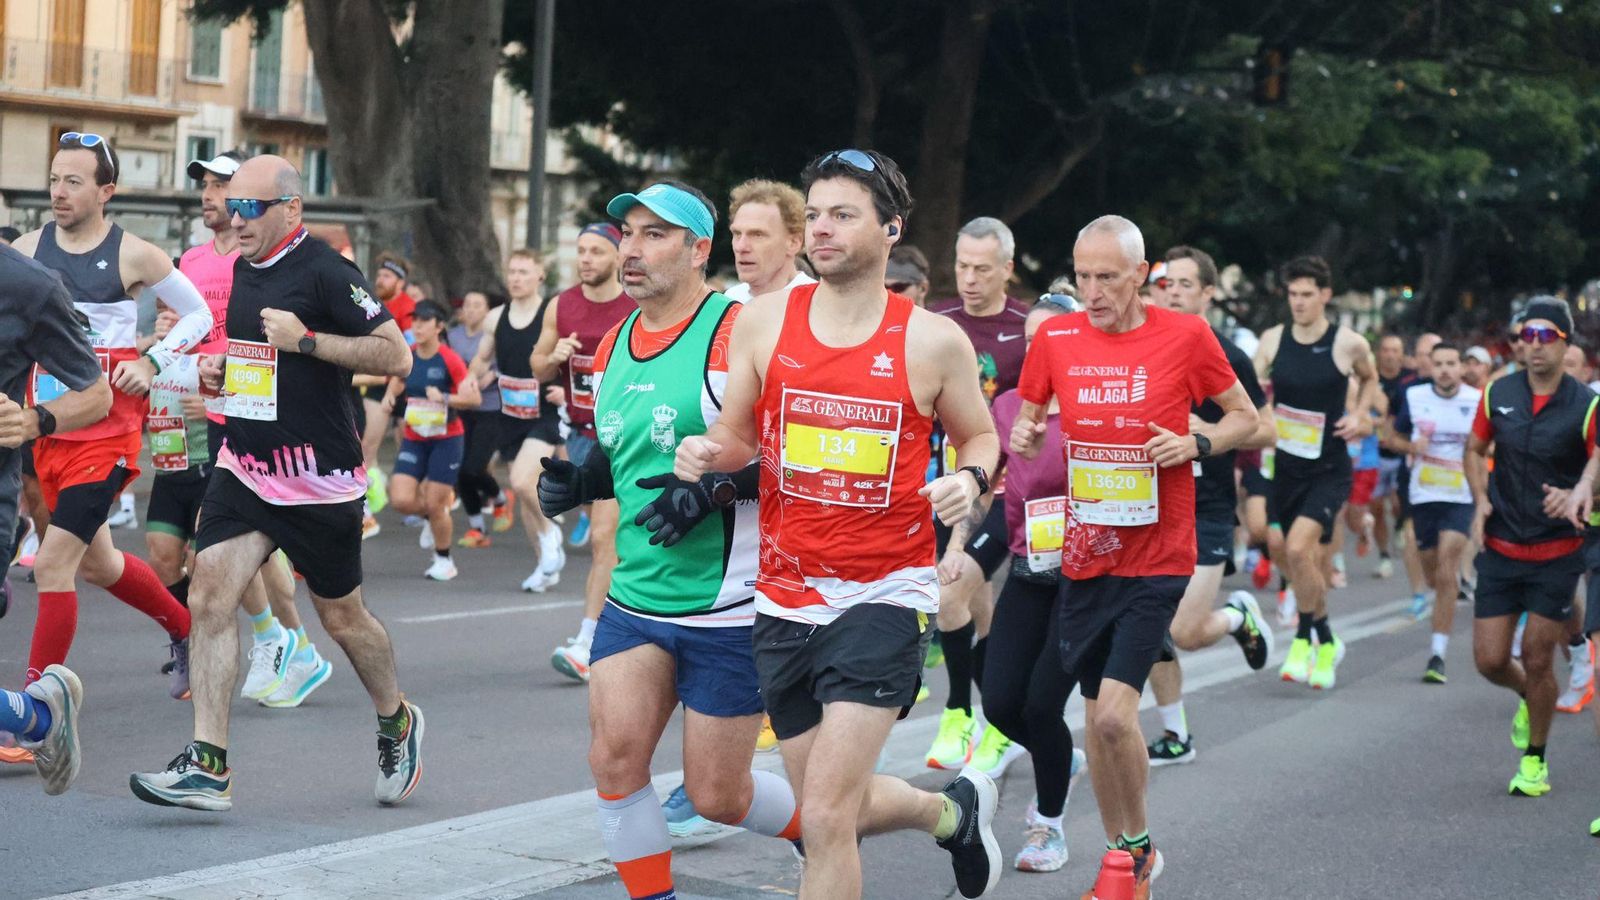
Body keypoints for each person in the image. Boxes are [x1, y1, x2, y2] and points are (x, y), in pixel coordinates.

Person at [677, 149, 1004, 899]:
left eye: (842, 215)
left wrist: (967, 477)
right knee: (836, 812)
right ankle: (950, 812)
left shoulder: (931, 340)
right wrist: (706, 452)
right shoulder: (761, 323)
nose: (821, 229)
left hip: (885, 595)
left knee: (822, 816)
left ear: (890, 229)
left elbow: (980, 437)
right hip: (783, 598)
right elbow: (740, 438)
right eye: (815, 214)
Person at [532, 180, 814, 900]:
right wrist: (582, 480)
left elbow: (802, 456)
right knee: (615, 764)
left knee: (719, 794)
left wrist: (718, 490)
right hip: (635, 597)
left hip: (731, 606)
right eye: (626, 232)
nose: (631, 249)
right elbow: (623, 451)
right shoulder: (616, 340)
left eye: (655, 235)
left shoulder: (739, 331)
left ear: (697, 251)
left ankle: (825, 828)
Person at [129, 156, 421, 811]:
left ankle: (396, 718)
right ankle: (208, 764)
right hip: (247, 465)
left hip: (319, 481)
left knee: (343, 619)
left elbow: (394, 353)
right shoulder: (241, 270)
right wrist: (224, 378)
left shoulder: (326, 271)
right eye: (235, 208)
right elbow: (259, 366)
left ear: (291, 209)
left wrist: (308, 340)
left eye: (253, 208)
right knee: (209, 592)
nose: (239, 219)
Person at [1009, 216, 1256, 897]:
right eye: (1082, 276)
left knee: (1116, 715)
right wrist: (1028, 437)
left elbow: (1248, 419)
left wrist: (1197, 443)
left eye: (1107, 277)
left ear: (1141, 275)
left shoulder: (1186, 335)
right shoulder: (1056, 337)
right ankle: (1127, 853)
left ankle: (1136, 852)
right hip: (1087, 555)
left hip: (1159, 555)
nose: (1091, 291)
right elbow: (1031, 419)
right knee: (1097, 724)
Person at [10, 133, 209, 705]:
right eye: (54, 179)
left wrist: (152, 360)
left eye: (74, 181)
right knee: (100, 565)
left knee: (53, 565)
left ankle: (33, 713)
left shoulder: (135, 254)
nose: (59, 192)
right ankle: (187, 629)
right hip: (47, 429)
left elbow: (197, 317)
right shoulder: (25, 250)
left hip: (107, 434)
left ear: (106, 191)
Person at [179, 151, 329, 711]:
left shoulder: (260, 258)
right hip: (213, 408)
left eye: (225, 187)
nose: (213, 196)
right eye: (208, 187)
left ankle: (285, 643)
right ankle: (287, 644)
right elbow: (192, 329)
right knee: (235, 551)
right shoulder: (191, 261)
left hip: (264, 423)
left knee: (244, 550)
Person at [1143, 245, 1276, 768]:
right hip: (1148, 506)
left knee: (1185, 630)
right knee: (1149, 623)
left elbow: (1265, 430)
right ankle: (1176, 734)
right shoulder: (1141, 347)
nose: (1172, 291)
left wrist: (1209, 434)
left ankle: (1237, 616)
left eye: (1183, 284)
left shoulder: (1225, 351)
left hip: (1208, 506)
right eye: (1165, 282)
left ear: (1207, 293)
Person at [976, 293, 1090, 873]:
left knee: (1043, 705)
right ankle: (1058, 756)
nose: (1042, 347)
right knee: (998, 700)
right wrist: (956, 550)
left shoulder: (1094, 406)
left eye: (1056, 337)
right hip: (1028, 569)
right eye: (1033, 338)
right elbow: (992, 483)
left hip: (1086, 578)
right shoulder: (1011, 406)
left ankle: (1048, 827)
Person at [1468, 297, 1595, 800]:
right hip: (1500, 547)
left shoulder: (1587, 405)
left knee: (1537, 656)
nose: (1535, 345)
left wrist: (1580, 493)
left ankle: (1535, 762)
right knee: (1490, 660)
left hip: (1556, 552)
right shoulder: (1497, 393)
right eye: (1528, 336)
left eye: (1547, 336)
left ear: (1566, 345)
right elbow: (1474, 450)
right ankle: (1527, 694)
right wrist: (1479, 499)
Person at [0, 239, 114, 789]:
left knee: (92, 563)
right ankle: (36, 715)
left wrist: (32, 421)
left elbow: (97, 393)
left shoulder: (30, 285)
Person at [925, 217, 1032, 776]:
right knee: (974, 605)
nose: (968, 279)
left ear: (1007, 270)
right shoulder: (938, 321)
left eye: (982, 269)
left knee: (952, 591)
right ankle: (999, 723)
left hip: (1009, 492)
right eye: (962, 266)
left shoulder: (1026, 328)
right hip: (953, 484)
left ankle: (958, 710)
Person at [1254, 256, 1378, 689]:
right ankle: (1323, 637)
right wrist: (1263, 414)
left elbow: (1371, 378)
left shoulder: (1348, 343)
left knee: (1298, 547)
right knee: (1292, 556)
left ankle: (1306, 638)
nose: (1299, 302)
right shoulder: (1272, 340)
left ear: (1325, 295)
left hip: (1330, 466)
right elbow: (1250, 391)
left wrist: (1360, 414)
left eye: (1308, 294)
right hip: (1287, 465)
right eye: (1293, 294)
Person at [533, 223, 636, 680]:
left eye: (597, 251)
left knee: (603, 537)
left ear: (617, 256)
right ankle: (629, 630)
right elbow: (537, 367)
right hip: (579, 432)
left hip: (622, 432)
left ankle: (589, 642)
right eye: (581, 251)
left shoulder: (634, 303)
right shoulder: (563, 304)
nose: (587, 259)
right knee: (614, 540)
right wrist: (554, 355)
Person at [469, 248, 566, 592]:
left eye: (524, 271)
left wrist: (566, 390)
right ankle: (544, 565)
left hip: (545, 411)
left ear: (540, 274)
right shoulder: (496, 317)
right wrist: (472, 377)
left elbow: (567, 357)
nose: (516, 278)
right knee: (525, 492)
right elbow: (482, 359)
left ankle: (552, 533)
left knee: (523, 481)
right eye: (512, 271)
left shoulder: (550, 315)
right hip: (510, 413)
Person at [1389, 342, 1480, 683]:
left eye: (1451, 363)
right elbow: (1391, 436)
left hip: (1461, 494)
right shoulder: (1415, 398)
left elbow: (1491, 444)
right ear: (1431, 367)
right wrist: (1411, 446)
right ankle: (1440, 590)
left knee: (1447, 568)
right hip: (1424, 493)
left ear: (1460, 367)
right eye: (1438, 363)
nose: (1444, 369)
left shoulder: (1475, 400)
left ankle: (1437, 654)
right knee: (1432, 572)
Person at [383, 301, 481, 581]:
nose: (418, 326)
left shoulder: (449, 360)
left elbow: (472, 398)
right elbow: (398, 380)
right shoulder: (408, 355)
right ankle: (433, 518)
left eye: (425, 321)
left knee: (436, 503)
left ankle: (444, 560)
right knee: (401, 499)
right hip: (415, 436)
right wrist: (391, 394)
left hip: (446, 439)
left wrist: (446, 398)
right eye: (415, 321)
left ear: (439, 327)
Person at [449, 289, 506, 548]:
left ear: (487, 311)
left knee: (473, 468)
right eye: (467, 305)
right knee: (460, 472)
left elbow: (498, 370)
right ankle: (477, 529)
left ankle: (499, 497)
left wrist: (483, 380)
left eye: (476, 305)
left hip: (490, 410)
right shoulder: (453, 337)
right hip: (462, 410)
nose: (470, 310)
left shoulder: (493, 337)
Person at [723, 179, 816, 302]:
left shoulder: (816, 302)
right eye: (737, 234)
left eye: (757, 235)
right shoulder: (731, 299)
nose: (741, 247)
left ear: (794, 243)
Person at [1373, 333, 1419, 581]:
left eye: (1395, 350)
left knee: (1398, 503)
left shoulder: (1409, 382)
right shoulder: (1371, 379)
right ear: (1380, 353)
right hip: (1375, 454)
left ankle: (1401, 524)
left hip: (1402, 453)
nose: (1390, 355)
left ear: (1402, 355)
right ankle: (1383, 555)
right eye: (1386, 350)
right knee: (1377, 508)